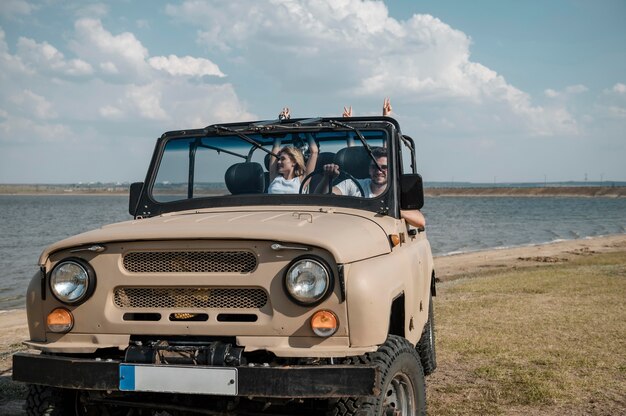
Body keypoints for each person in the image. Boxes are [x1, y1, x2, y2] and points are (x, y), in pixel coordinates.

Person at [316, 99, 426, 228]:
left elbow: (420, 221)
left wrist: (392, 210)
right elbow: (321, 198)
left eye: (384, 167)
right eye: (375, 167)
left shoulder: (395, 192)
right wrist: (327, 178)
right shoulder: (353, 185)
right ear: (369, 169)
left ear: (391, 170)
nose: (379, 171)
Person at [267, 107, 319, 194]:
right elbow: (275, 148)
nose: (278, 162)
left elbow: (314, 152)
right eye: (279, 159)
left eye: (283, 159)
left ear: (294, 162)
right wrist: (282, 122)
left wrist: (306, 129)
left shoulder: (301, 181)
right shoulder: (274, 178)